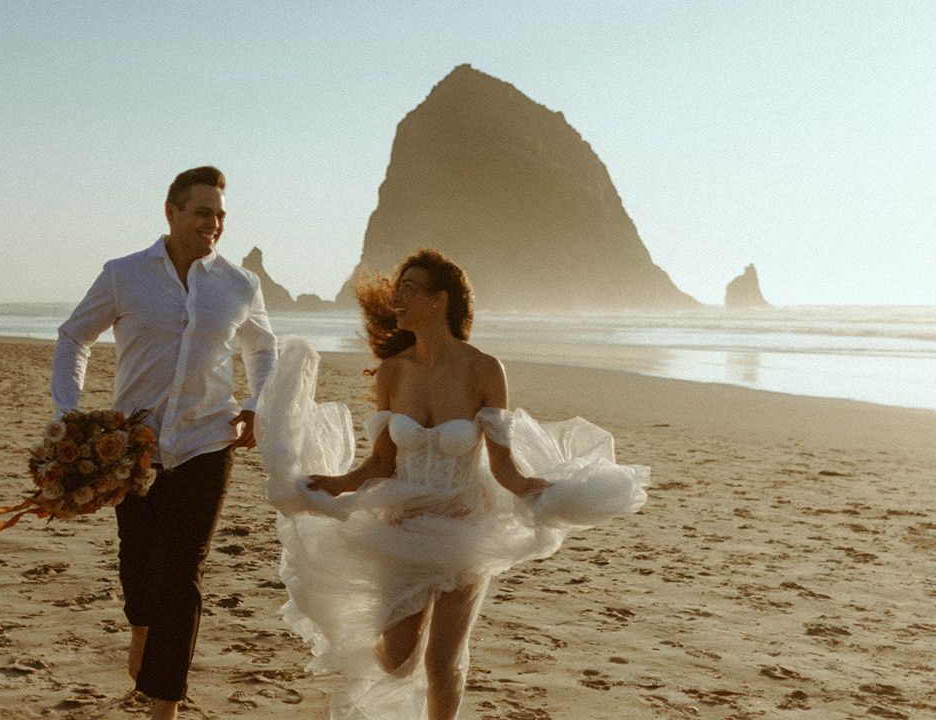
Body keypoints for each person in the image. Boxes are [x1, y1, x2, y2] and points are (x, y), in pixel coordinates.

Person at [255, 249, 648, 720]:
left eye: (410, 289)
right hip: (401, 525)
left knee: (442, 662)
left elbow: (502, 464)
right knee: (398, 660)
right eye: (398, 288)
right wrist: (337, 483)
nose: (397, 298)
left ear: (441, 300)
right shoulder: (393, 372)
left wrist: (528, 487)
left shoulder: (484, 369)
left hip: (465, 524)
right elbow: (381, 462)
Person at [51, 166, 277, 720]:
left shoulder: (239, 283)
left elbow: (263, 348)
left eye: (221, 215)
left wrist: (256, 404)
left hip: (207, 442)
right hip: (132, 448)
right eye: (204, 213)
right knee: (138, 567)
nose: (214, 224)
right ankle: (141, 627)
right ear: (172, 211)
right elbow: (73, 336)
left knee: (184, 572)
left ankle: (164, 707)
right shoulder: (124, 275)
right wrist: (68, 413)